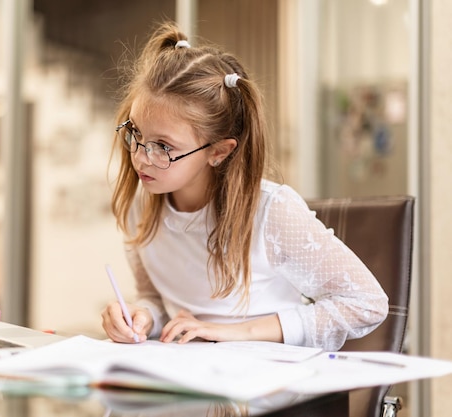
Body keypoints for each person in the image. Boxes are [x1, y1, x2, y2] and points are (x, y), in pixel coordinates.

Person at [101, 21, 388, 352]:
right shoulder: (143, 203)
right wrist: (143, 316)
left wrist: (238, 332)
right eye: (135, 133)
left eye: (164, 147)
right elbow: (157, 299)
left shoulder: (271, 212)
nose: (141, 157)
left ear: (219, 152)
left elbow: (367, 303)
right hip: (191, 377)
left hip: (269, 388)